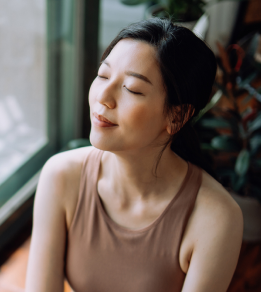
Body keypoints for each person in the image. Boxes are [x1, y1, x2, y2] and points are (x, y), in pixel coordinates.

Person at [25, 18, 243, 292]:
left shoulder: (216, 218)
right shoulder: (61, 175)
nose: (103, 96)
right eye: (103, 75)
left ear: (177, 116)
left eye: (132, 89)